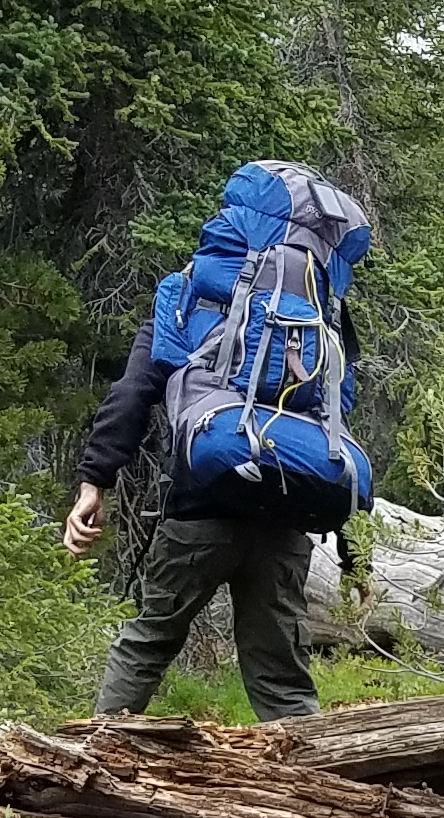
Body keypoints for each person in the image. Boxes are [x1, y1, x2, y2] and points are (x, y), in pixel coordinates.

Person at [66, 158, 378, 722]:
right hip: (285, 519)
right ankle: (315, 795)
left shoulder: (189, 294)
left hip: (200, 505)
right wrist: (352, 556)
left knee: (148, 643)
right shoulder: (321, 313)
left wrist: (95, 482)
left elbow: (134, 391)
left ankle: (90, 765)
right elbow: (332, 426)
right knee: (282, 679)